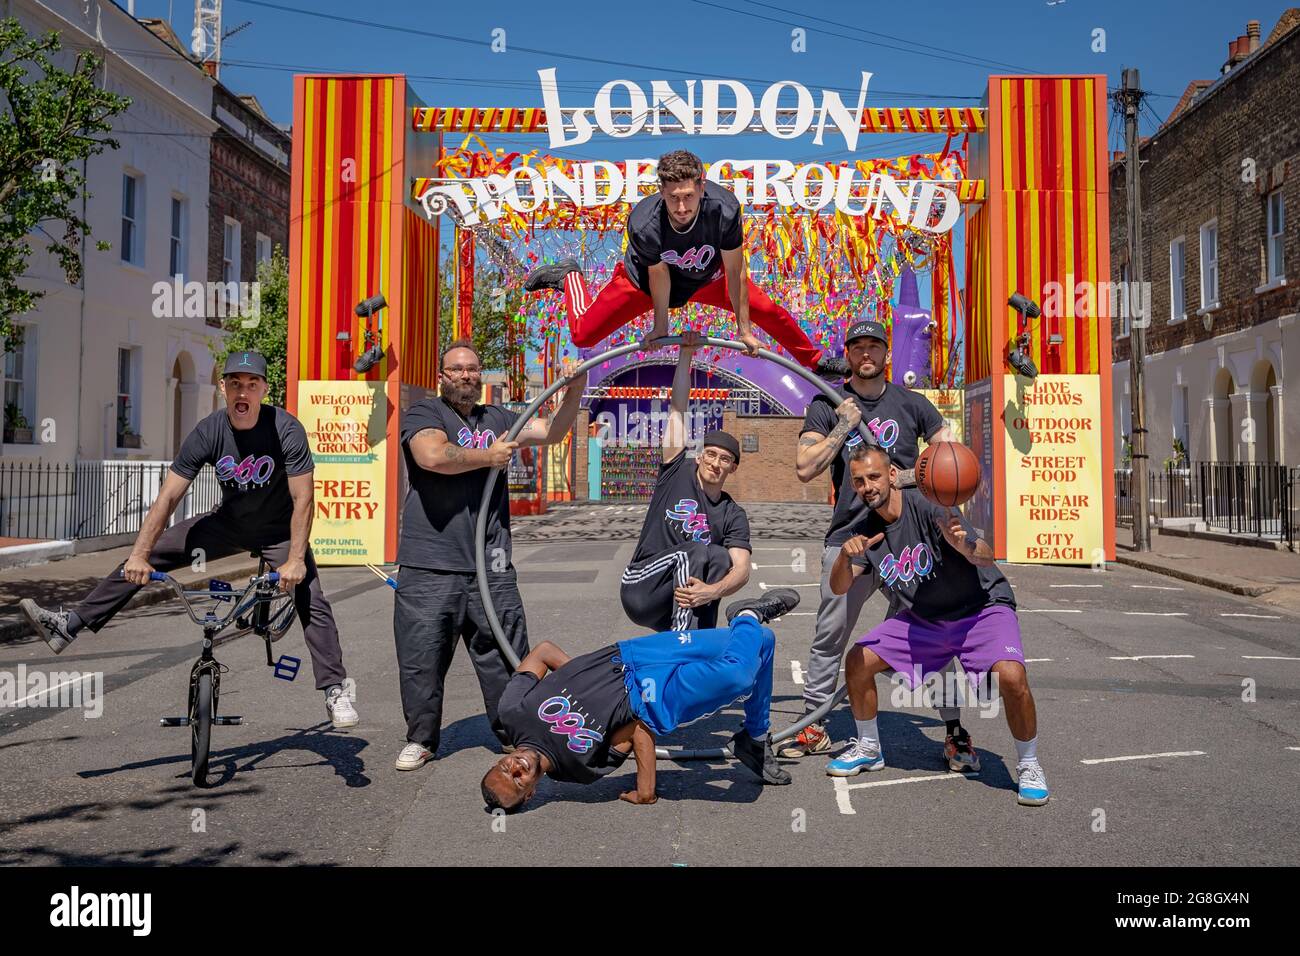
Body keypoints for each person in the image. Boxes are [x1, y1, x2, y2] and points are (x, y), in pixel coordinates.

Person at [19, 351, 358, 729]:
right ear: (223, 388)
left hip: (278, 530)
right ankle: (69, 625)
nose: (242, 392)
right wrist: (139, 555)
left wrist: (295, 559)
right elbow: (168, 497)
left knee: (310, 594)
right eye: (234, 384)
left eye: (251, 384)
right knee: (147, 555)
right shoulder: (209, 431)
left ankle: (334, 690)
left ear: (264, 389)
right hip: (227, 525)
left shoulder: (286, 429)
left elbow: (303, 498)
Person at [783, 318, 974, 767]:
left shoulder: (913, 405)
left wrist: (900, 480)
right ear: (847, 355)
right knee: (830, 632)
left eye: (874, 346)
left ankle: (954, 732)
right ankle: (813, 724)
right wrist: (842, 426)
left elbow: (949, 461)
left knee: (934, 631)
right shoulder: (825, 404)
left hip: (907, 537)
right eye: (857, 347)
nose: (865, 354)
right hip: (849, 537)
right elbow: (805, 468)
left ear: (886, 354)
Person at [392, 339, 587, 772]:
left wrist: (577, 386)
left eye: (473, 369)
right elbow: (431, 456)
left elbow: (553, 432)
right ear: (441, 377)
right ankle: (421, 739)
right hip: (430, 563)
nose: (466, 375)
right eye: (457, 369)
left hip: (490, 565)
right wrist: (488, 456)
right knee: (422, 658)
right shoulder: (425, 413)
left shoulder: (498, 418)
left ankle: (513, 734)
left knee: (504, 654)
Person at [824, 445, 1049, 806]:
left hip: (980, 609)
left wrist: (965, 547)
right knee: (857, 662)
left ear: (893, 476)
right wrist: (843, 556)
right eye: (859, 480)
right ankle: (869, 748)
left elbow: (986, 554)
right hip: (925, 621)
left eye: (874, 477)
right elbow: (839, 587)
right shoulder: (865, 530)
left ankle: (1029, 764)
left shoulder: (930, 506)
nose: (867, 486)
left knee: (1011, 676)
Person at [522, 149, 850, 378]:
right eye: (673, 197)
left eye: (689, 196)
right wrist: (661, 326)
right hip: (646, 283)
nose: (681, 206)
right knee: (582, 335)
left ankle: (816, 360)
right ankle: (569, 277)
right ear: (661, 191)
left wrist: (744, 330)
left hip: (708, 278)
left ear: (702, 187)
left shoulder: (724, 209)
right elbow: (659, 276)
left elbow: (736, 271)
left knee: (768, 310)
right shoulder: (644, 222)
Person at [479, 589, 801, 811]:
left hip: (631, 654)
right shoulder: (579, 767)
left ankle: (754, 738)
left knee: (762, 641)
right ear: (531, 792)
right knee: (738, 674)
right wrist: (646, 790)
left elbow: (543, 652)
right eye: (517, 783)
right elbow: (636, 731)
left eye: (503, 768)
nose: (514, 768)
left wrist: (583, 676)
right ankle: (746, 613)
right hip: (651, 697)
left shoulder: (512, 712)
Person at [619, 331, 752, 632]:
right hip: (641, 585)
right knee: (693, 550)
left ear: (733, 468)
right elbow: (678, 408)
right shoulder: (676, 472)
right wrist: (686, 355)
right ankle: (683, 642)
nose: (716, 463)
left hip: (677, 600)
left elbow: (742, 569)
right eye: (711, 455)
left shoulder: (733, 515)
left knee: (718, 556)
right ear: (700, 457)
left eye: (725, 459)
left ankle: (701, 640)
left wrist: (712, 591)